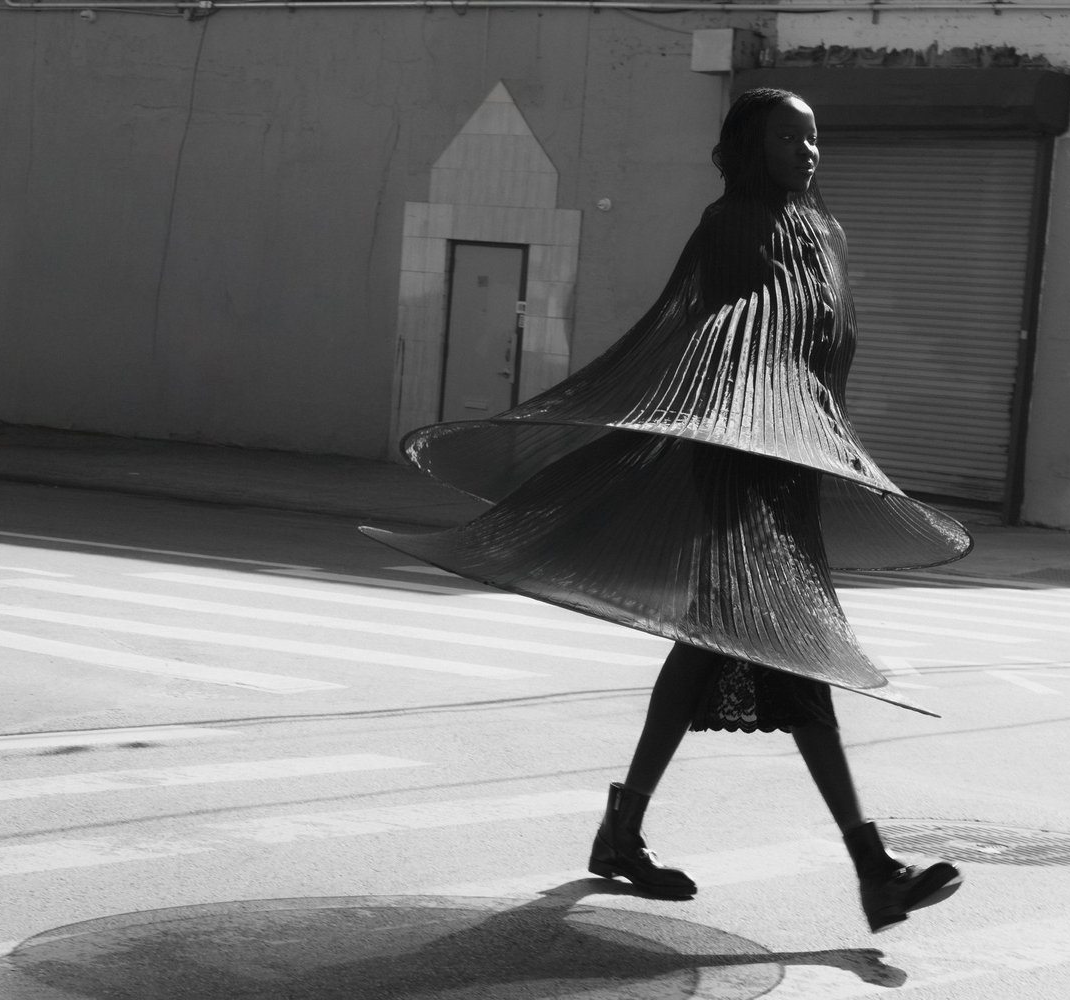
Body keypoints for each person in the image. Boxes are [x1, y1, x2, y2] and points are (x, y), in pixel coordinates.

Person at [363, 88, 972, 933]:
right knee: (789, 651)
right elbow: (716, 336)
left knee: (712, 653)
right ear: (750, 147)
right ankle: (871, 869)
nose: (806, 152)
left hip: (788, 470)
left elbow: (816, 349)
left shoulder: (823, 232)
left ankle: (627, 832)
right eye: (788, 138)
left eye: (813, 138)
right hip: (735, 467)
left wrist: (826, 443)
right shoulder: (729, 226)